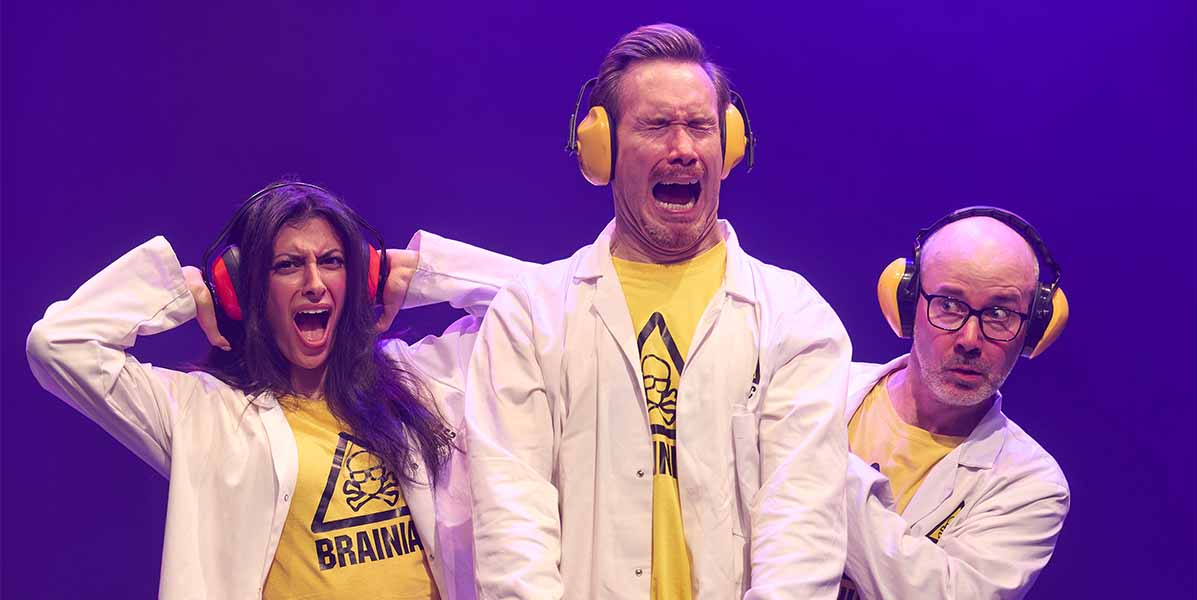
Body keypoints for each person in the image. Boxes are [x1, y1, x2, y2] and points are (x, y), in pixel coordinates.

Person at [466, 24, 852, 599]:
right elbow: (512, 524)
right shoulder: (530, 314)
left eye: (700, 126)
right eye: (656, 126)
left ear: (729, 146)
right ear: (603, 149)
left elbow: (803, 527)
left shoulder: (796, 317)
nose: (684, 148)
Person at [26, 181, 530, 599]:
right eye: (287, 265)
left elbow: (539, 313)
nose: (314, 282)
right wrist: (177, 291)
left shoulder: (420, 380)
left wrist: (425, 272)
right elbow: (58, 345)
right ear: (244, 289)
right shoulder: (203, 413)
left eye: (332, 261)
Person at [839, 207, 1071, 599]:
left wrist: (812, 455)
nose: (969, 339)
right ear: (908, 304)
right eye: (949, 304)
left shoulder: (1032, 484)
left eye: (999, 313)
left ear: (1033, 331)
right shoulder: (817, 386)